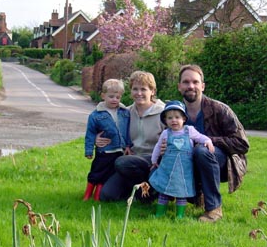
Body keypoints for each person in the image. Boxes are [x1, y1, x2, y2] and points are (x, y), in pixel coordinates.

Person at [177, 64, 250, 222]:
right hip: (189, 161)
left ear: (202, 86)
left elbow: (242, 144)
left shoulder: (220, 109)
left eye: (195, 82)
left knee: (202, 151)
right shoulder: (175, 113)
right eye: (186, 82)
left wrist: (210, 141)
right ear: (179, 87)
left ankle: (214, 209)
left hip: (223, 163)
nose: (191, 86)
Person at [96, 71, 165, 201]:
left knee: (121, 163)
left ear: (152, 91)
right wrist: (96, 138)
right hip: (131, 161)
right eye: (135, 89)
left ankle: (147, 192)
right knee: (106, 196)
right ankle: (135, 190)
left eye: (143, 89)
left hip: (154, 161)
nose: (139, 93)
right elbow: (103, 123)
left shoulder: (163, 113)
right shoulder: (124, 113)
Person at [149, 100, 214, 219]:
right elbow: (158, 147)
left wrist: (207, 141)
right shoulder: (165, 133)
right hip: (167, 169)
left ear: (184, 118)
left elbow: (200, 137)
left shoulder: (189, 130)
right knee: (164, 190)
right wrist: (154, 161)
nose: (173, 120)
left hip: (183, 171)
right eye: (170, 118)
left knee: (182, 192)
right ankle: (159, 213)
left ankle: (180, 215)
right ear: (165, 120)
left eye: (177, 117)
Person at [83, 79, 132, 201]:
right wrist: (89, 150)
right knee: (96, 172)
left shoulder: (124, 113)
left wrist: (128, 145)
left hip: (118, 151)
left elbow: (127, 131)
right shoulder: (96, 115)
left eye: (118, 97)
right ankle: (87, 194)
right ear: (103, 95)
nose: (114, 99)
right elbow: (90, 133)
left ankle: (97, 196)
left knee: (107, 174)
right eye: (111, 96)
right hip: (104, 151)